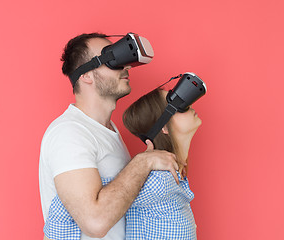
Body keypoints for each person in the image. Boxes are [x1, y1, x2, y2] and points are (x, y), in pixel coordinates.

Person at [39, 33, 180, 240]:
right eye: (113, 59)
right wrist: (143, 162)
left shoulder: (109, 131)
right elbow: (94, 222)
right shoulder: (69, 133)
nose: (126, 67)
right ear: (86, 75)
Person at [123, 88, 202, 239]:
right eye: (178, 105)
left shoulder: (173, 175)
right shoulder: (158, 180)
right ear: (164, 127)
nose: (189, 105)